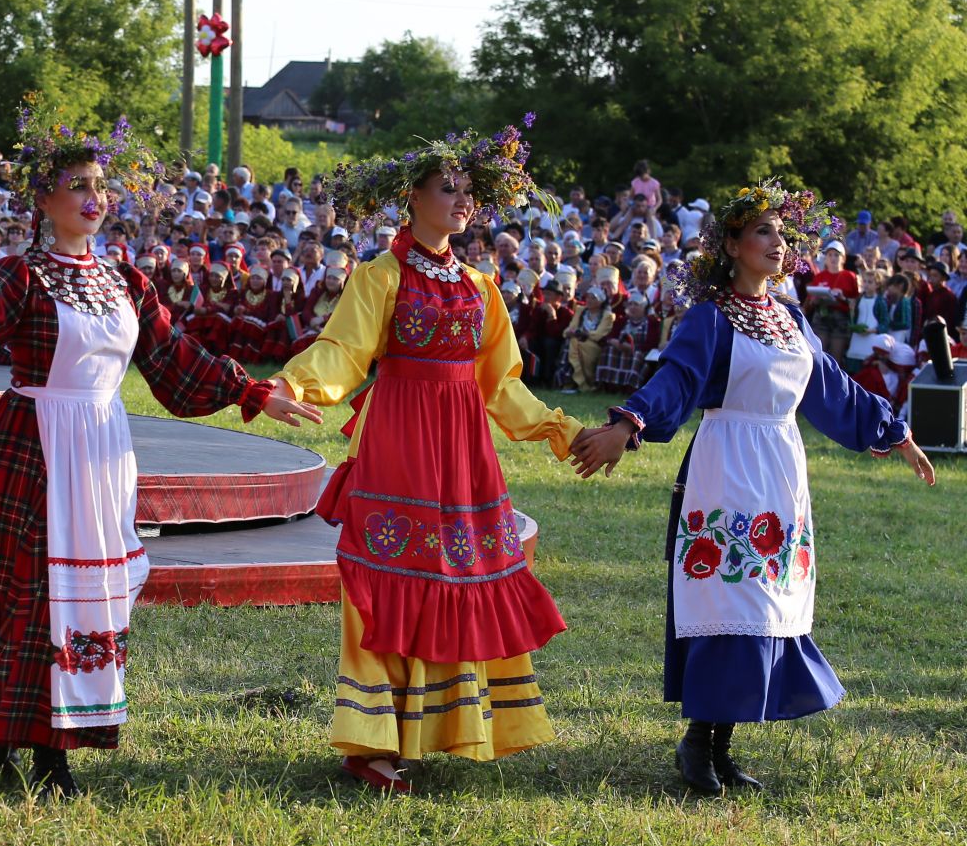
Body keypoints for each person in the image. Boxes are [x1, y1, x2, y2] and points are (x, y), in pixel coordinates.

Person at [0, 97, 318, 798]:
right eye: (79, 185)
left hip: (100, 449)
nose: (94, 198)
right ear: (44, 198)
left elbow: (175, 359)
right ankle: (38, 747)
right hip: (33, 446)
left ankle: (48, 734)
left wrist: (253, 392)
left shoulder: (126, 279)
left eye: (101, 185)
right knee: (35, 594)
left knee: (91, 594)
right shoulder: (22, 272)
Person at [571, 182, 935, 793]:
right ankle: (696, 745)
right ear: (733, 245)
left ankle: (722, 745)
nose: (776, 242)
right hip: (726, 467)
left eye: (781, 233)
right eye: (762, 231)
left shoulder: (791, 319)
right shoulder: (711, 318)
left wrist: (894, 432)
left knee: (765, 606)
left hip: (780, 472)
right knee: (727, 603)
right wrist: (628, 424)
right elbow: (677, 379)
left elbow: (832, 387)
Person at [268, 118, 582, 792]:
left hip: (462, 451)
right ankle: (374, 742)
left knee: (453, 580)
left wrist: (561, 431)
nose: (463, 203)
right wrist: (290, 382)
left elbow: (502, 384)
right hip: (400, 442)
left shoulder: (480, 285)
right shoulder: (379, 277)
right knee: (386, 580)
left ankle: (435, 730)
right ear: (412, 197)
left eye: (469, 192)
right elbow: (343, 352)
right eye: (449, 189)